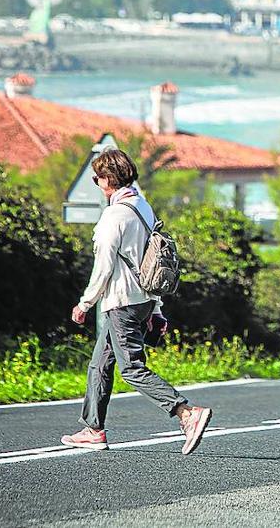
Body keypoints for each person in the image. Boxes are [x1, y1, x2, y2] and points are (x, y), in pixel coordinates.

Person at [59, 148, 211, 454]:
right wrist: (156, 308)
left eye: (97, 178)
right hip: (142, 300)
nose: (97, 183)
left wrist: (84, 303)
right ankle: (93, 429)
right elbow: (152, 261)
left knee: (131, 368)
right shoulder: (143, 207)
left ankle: (186, 413)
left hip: (122, 301)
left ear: (108, 179)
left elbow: (103, 267)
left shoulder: (113, 216)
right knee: (100, 364)